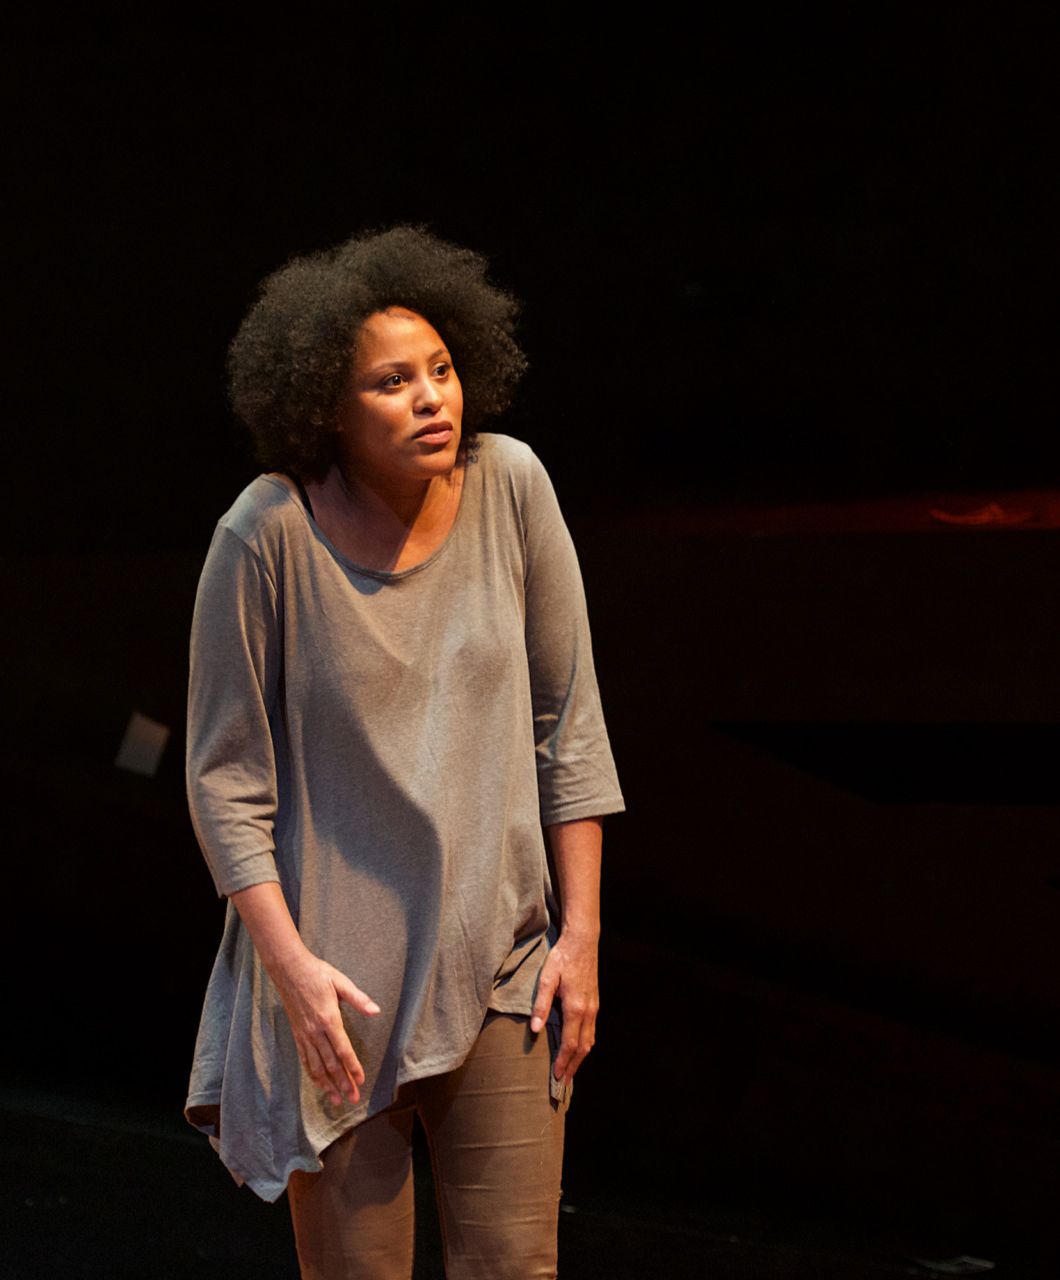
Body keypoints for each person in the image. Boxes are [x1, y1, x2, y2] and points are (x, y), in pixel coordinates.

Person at [184, 226, 624, 1278]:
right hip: (338, 990)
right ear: (326, 409)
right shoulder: (266, 534)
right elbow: (226, 784)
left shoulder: (512, 486)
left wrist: (582, 937)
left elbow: (568, 724)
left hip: (505, 968)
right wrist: (292, 973)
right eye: (393, 382)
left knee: (514, 1265)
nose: (433, 397)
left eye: (441, 369)